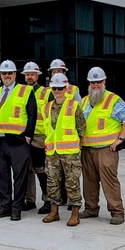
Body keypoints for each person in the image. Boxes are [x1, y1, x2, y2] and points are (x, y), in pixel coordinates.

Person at [78, 67, 125, 225]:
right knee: (89, 181)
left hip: (106, 150)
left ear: (104, 82)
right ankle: (91, 208)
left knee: (109, 181)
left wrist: (120, 138)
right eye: (92, 82)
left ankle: (117, 212)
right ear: (89, 83)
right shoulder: (83, 101)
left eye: (98, 82)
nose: (95, 85)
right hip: (87, 149)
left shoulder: (113, 99)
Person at [0, 60, 37, 221]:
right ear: (0, 75)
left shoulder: (25, 90)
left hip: (18, 141)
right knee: (2, 176)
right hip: (0, 142)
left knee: (19, 177)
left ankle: (17, 208)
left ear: (15, 74)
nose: (7, 76)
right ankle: (5, 206)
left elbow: (32, 114)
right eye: (4, 73)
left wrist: (28, 136)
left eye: (10, 73)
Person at [41, 74, 85, 226]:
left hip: (70, 153)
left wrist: (76, 147)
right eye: (54, 88)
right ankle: (54, 212)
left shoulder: (74, 106)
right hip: (52, 153)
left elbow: (81, 128)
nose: (57, 90)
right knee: (52, 182)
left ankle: (75, 213)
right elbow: (47, 129)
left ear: (66, 89)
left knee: (72, 183)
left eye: (60, 88)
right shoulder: (46, 107)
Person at [21, 61, 51, 214]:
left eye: (32, 74)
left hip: (41, 137)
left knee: (41, 170)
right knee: (27, 170)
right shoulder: (21, 92)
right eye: (27, 74)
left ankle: (47, 200)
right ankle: (30, 200)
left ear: (37, 75)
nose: (30, 77)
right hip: (25, 136)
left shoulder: (46, 92)